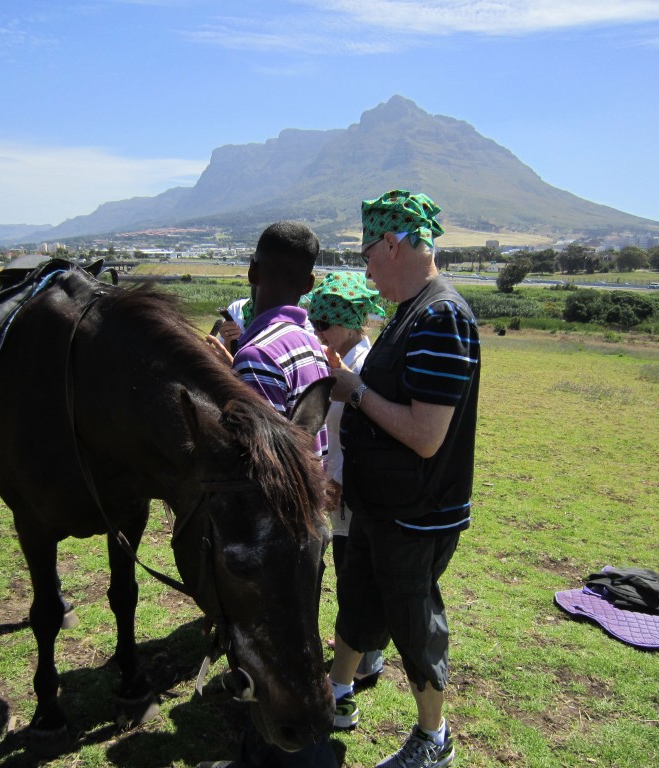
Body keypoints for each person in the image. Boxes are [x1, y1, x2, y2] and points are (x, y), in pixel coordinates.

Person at [326, 191, 480, 768]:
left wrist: (356, 392)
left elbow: (424, 435)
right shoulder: (409, 311)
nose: (365, 269)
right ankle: (337, 694)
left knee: (413, 620)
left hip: (416, 512)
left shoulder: (440, 317)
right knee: (359, 602)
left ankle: (433, 738)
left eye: (368, 255)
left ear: (392, 244)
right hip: (380, 505)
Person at [203, 220, 335, 768]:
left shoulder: (255, 355)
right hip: (306, 521)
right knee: (301, 644)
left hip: (272, 532)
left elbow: (253, 463)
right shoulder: (310, 341)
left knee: (273, 652)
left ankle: (287, 757)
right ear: (308, 286)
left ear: (253, 273)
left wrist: (219, 381)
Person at [307, 272, 385, 688]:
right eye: (313, 324)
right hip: (340, 487)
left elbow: (359, 436)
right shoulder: (343, 360)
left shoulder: (365, 368)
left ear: (349, 322)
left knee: (354, 577)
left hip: (352, 492)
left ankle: (365, 658)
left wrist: (335, 480)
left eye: (323, 325)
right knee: (348, 573)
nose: (317, 333)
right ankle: (359, 649)